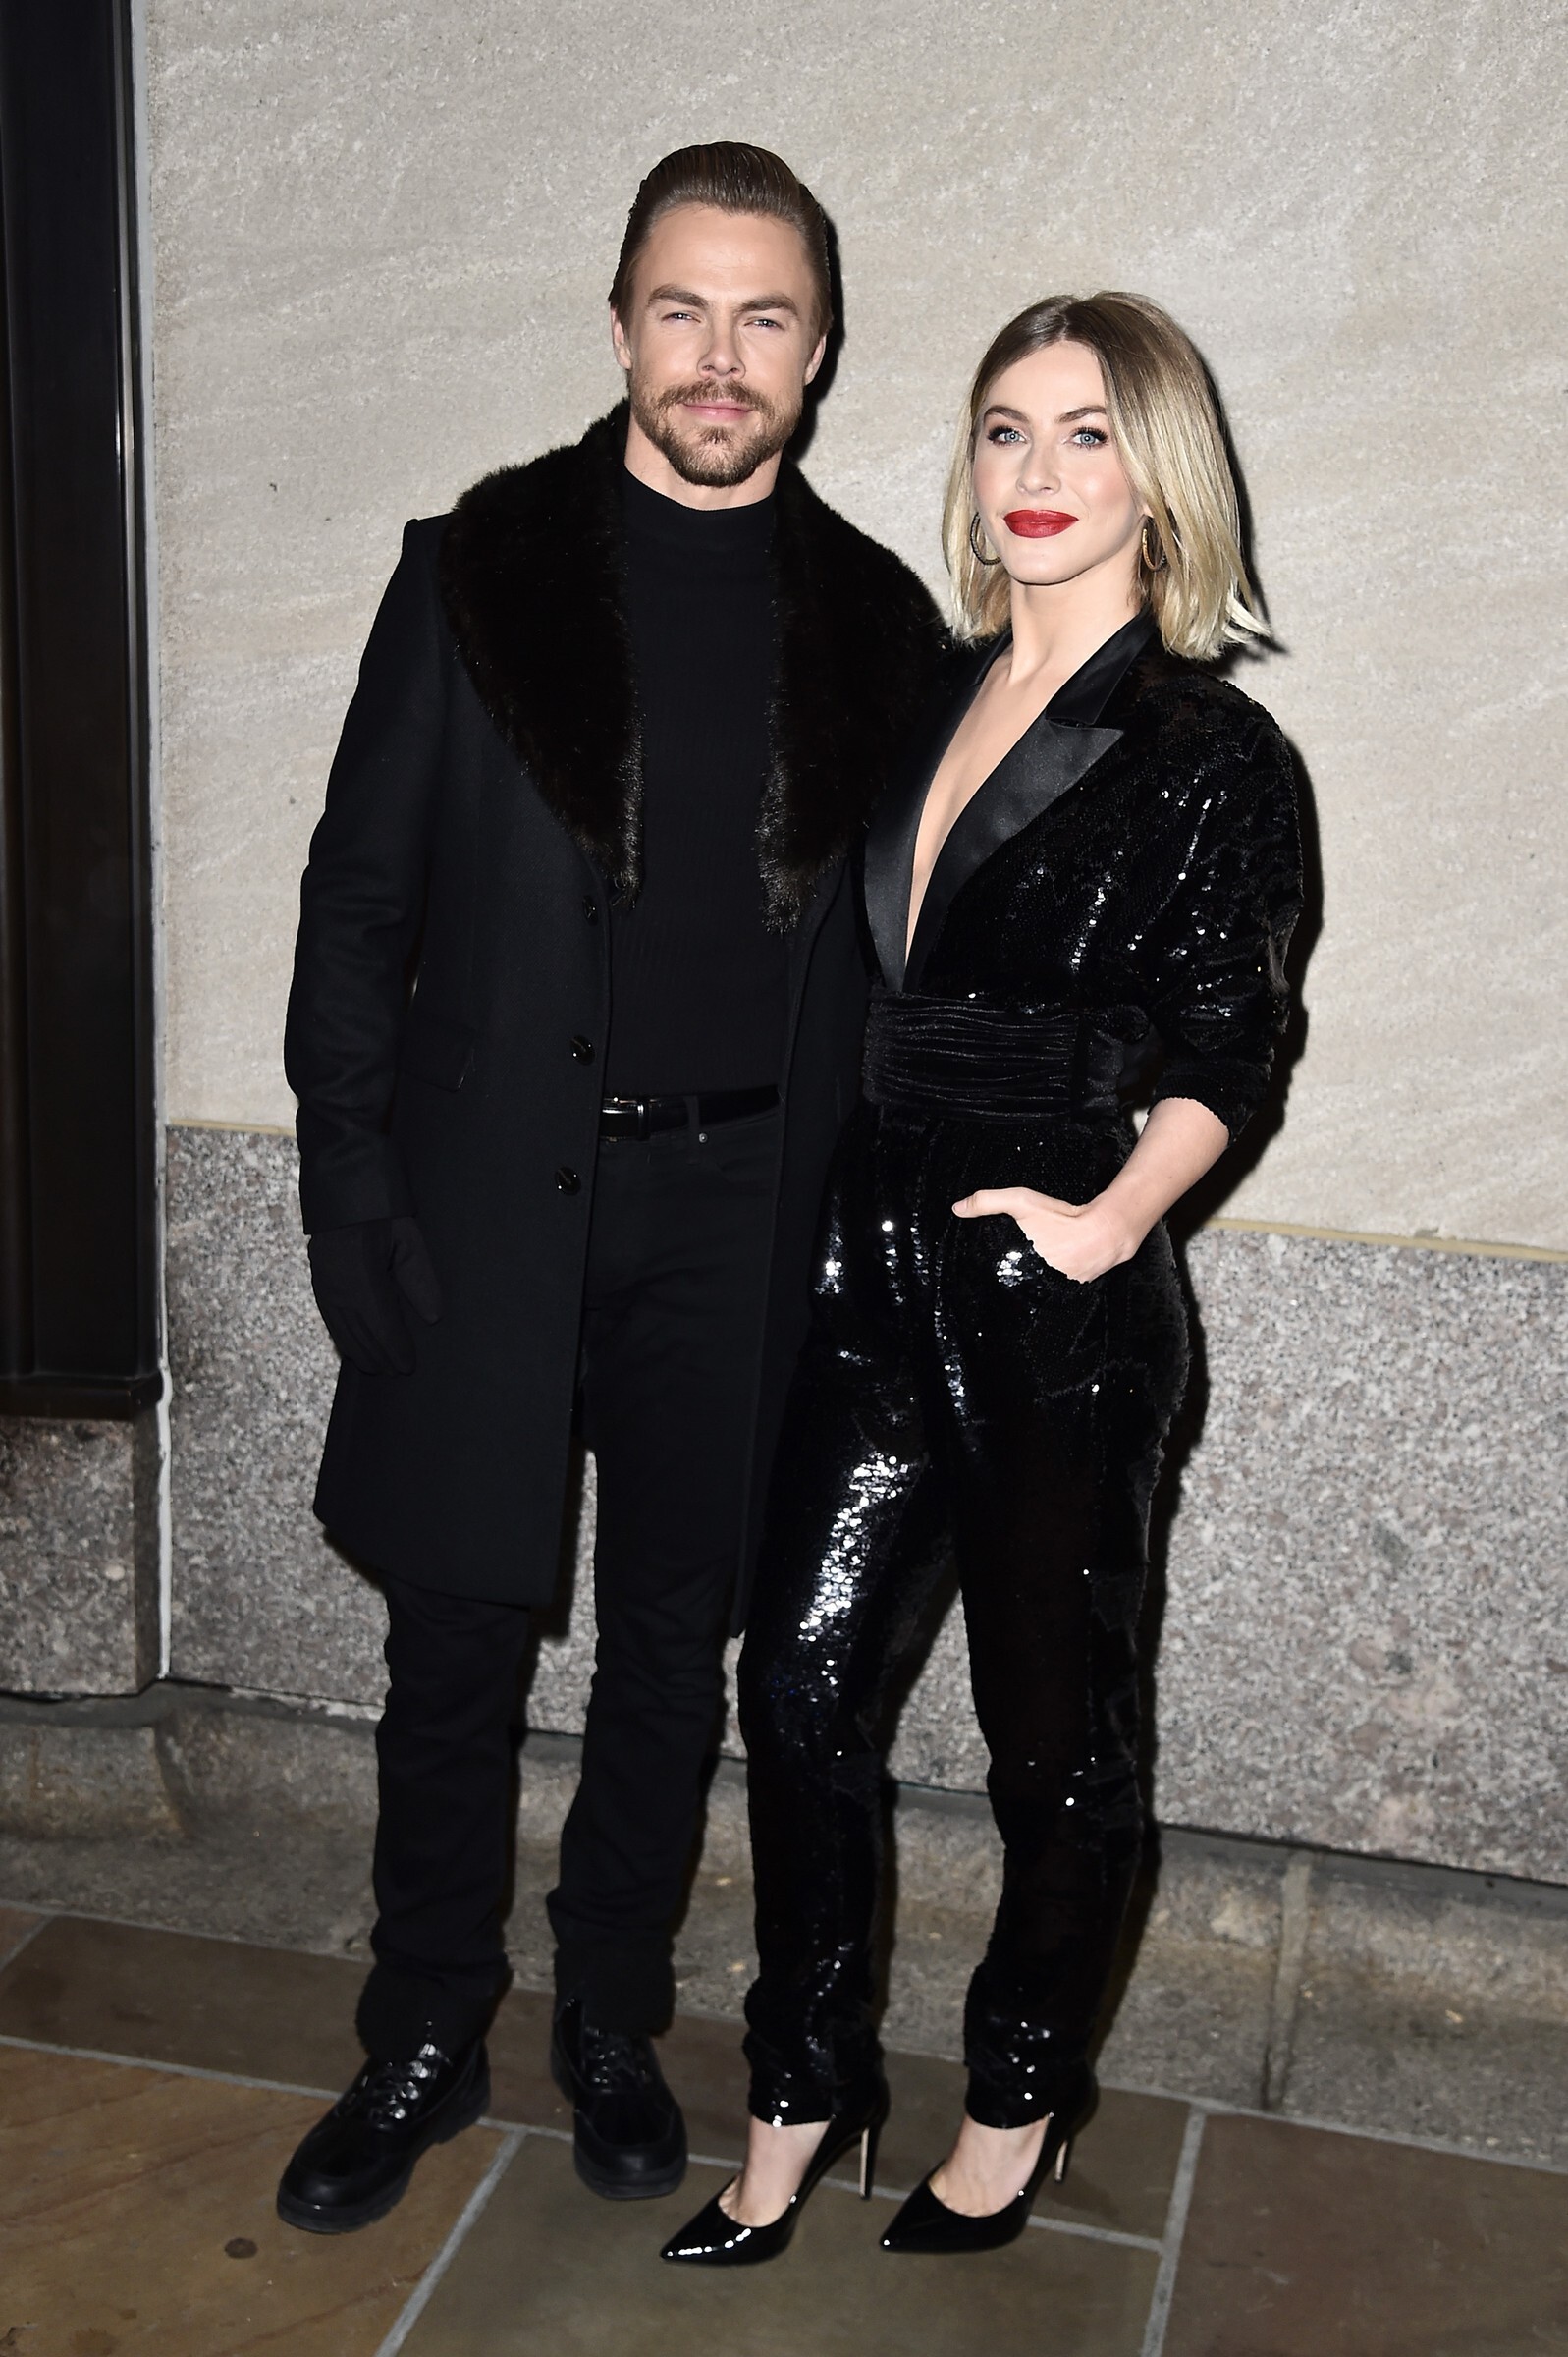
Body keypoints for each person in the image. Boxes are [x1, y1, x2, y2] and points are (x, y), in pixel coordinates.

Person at [276, 143, 941, 2235]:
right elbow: (353, 910)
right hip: (486, 1206)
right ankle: (418, 2030)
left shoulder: (878, 628)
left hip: (742, 1218)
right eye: (682, 309)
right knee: (454, 1641)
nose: (719, 357)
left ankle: (607, 2019)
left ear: (817, 350)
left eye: (764, 317)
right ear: (623, 322)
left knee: (675, 1641)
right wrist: (348, 1201)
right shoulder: (474, 573)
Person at [663, 291, 1303, 2267]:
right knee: (797, 1688)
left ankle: (1014, 2103)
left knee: (1057, 1747)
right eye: (1006, 429)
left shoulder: (1207, 751)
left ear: (1158, 476)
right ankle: (799, 2086)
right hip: (863, 1260)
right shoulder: (918, 702)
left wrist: (1108, 1222)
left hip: (1056, 1300)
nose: (1037, 471)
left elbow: (1234, 1040)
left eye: (1087, 432)